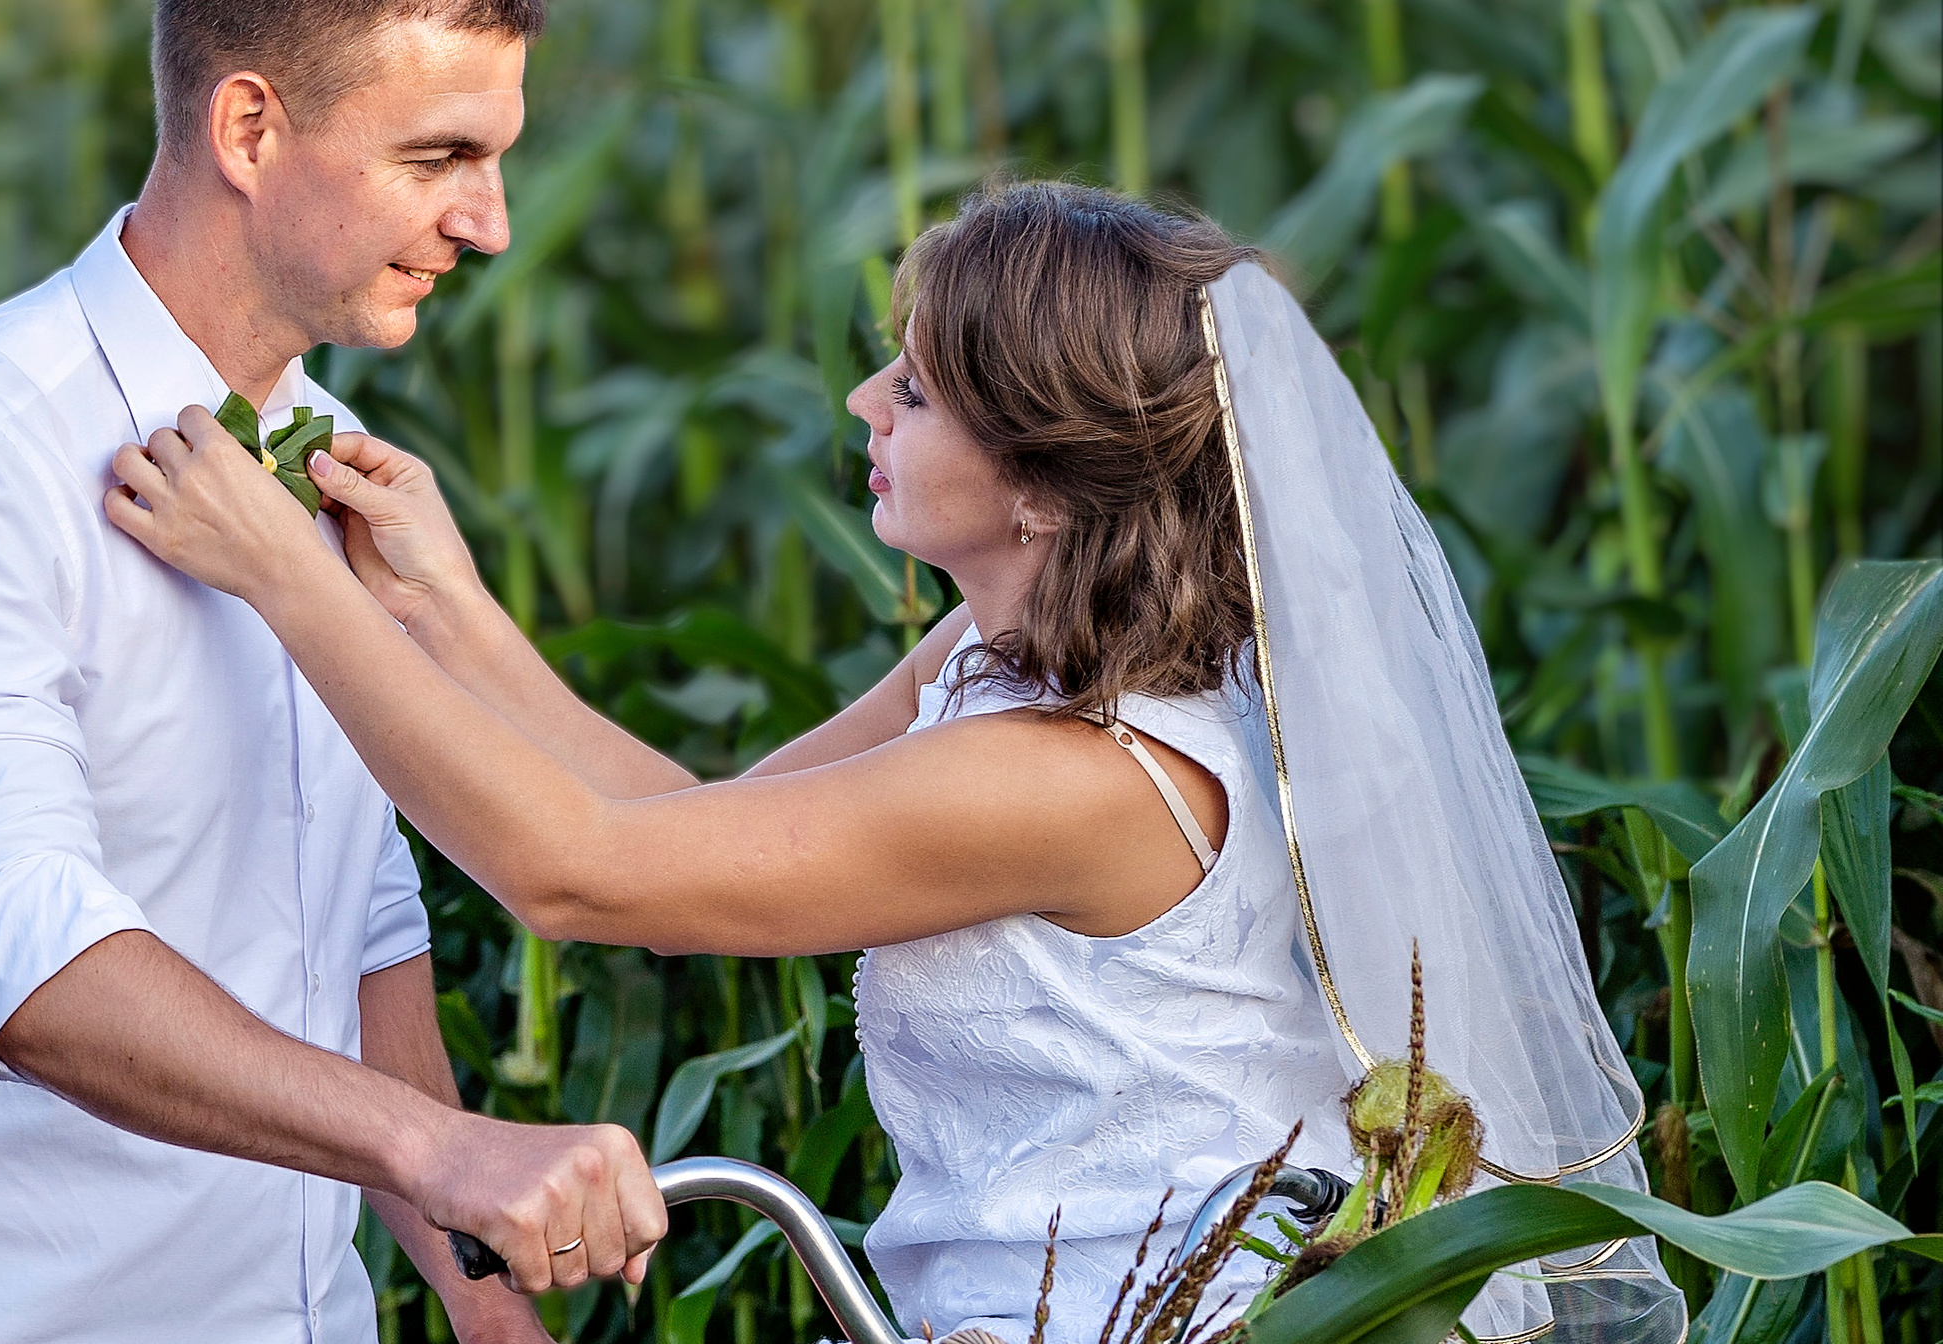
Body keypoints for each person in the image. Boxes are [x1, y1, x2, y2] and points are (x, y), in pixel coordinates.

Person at [106, 184, 1689, 1344]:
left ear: (1048, 491)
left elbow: (584, 879)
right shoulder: (1000, 662)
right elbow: (692, 824)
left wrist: (292, 587)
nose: (866, 402)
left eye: (919, 390)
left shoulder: (1076, 780)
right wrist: (437, 598)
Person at [0, 0, 664, 1344]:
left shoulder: (331, 470)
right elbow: (27, 959)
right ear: (251, 126)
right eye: (439, 159)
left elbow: (355, 926)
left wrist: (467, 1286)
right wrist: (445, 1150)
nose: (490, 225)